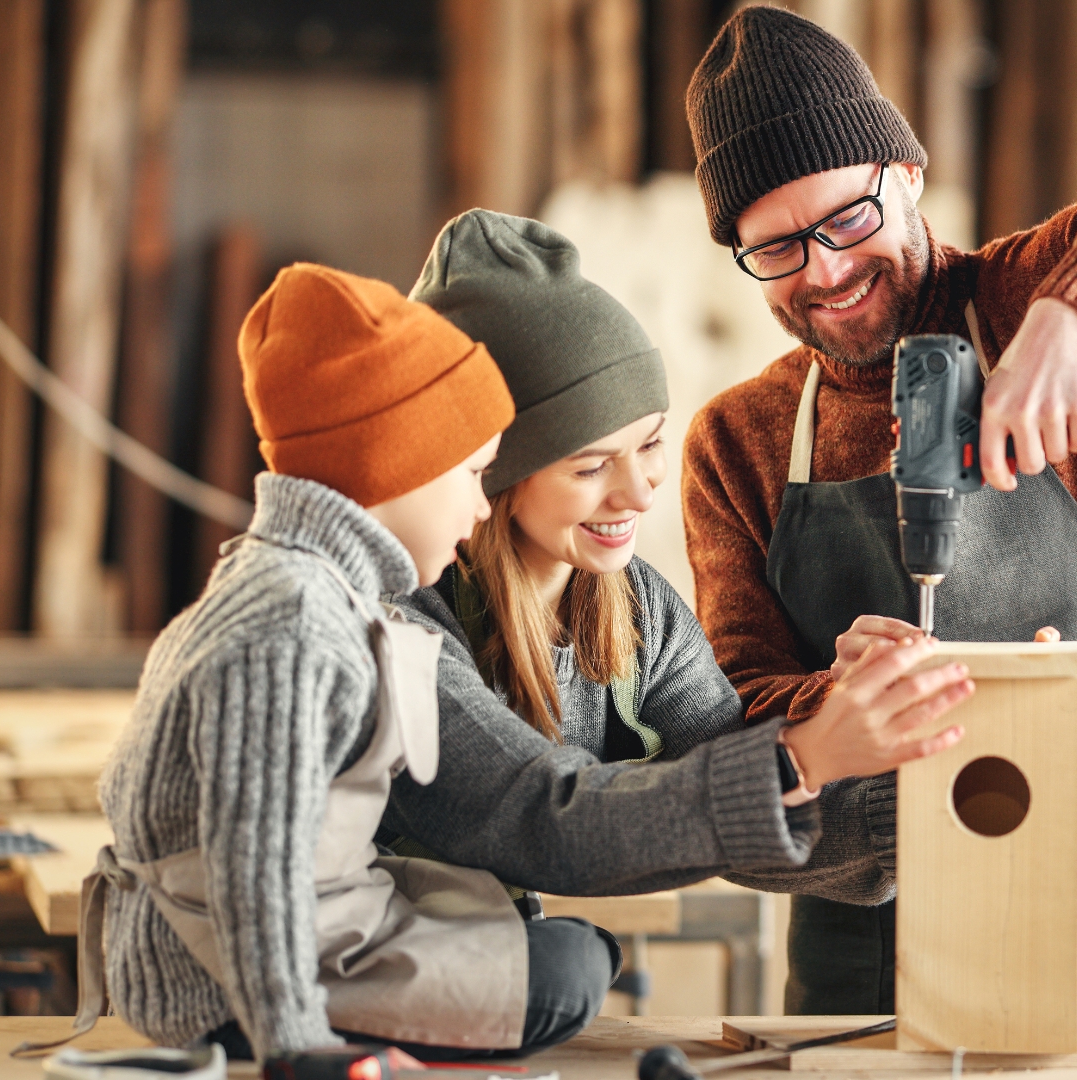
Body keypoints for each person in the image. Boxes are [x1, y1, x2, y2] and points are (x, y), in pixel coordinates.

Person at [679, 6, 1077, 1015]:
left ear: (906, 176)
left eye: (848, 220)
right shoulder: (739, 441)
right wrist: (833, 704)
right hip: (875, 957)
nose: (826, 271)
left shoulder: (1031, 297)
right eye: (779, 250)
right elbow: (733, 707)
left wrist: (1075, 318)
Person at [369, 209, 979, 1031]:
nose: (639, 491)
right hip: (342, 979)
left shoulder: (636, 609)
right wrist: (804, 752)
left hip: (475, 967)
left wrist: (946, 778)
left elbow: (740, 813)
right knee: (567, 972)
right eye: (591, 466)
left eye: (650, 444)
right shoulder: (405, 623)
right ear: (493, 474)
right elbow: (542, 820)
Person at [80, 263, 536, 1062]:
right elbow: (257, 869)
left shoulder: (311, 585)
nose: (478, 509)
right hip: (222, 997)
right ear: (394, 463)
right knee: (563, 976)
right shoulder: (291, 622)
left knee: (545, 948)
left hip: (286, 950)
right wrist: (297, 1049)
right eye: (471, 475)